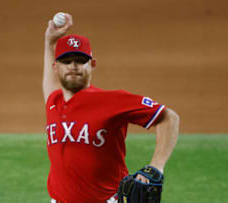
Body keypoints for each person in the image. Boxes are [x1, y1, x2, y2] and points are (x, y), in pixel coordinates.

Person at [43, 13, 179, 203]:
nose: (73, 66)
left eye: (80, 61)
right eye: (66, 61)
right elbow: (49, 82)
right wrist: (49, 42)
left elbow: (168, 117)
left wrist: (156, 166)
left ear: (93, 65)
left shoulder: (112, 100)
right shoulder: (54, 101)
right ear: (56, 67)